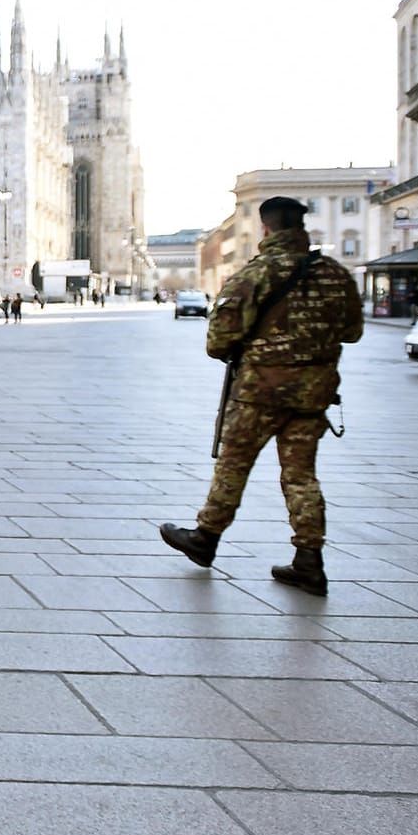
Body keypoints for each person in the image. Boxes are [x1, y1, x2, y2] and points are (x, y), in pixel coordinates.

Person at [160, 196, 363, 597]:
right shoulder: (335, 274)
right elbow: (353, 331)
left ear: (266, 229)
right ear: (301, 228)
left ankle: (205, 538)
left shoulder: (255, 275)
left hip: (259, 394)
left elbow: (218, 341)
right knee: (301, 475)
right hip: (312, 396)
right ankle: (309, 560)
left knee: (234, 465)